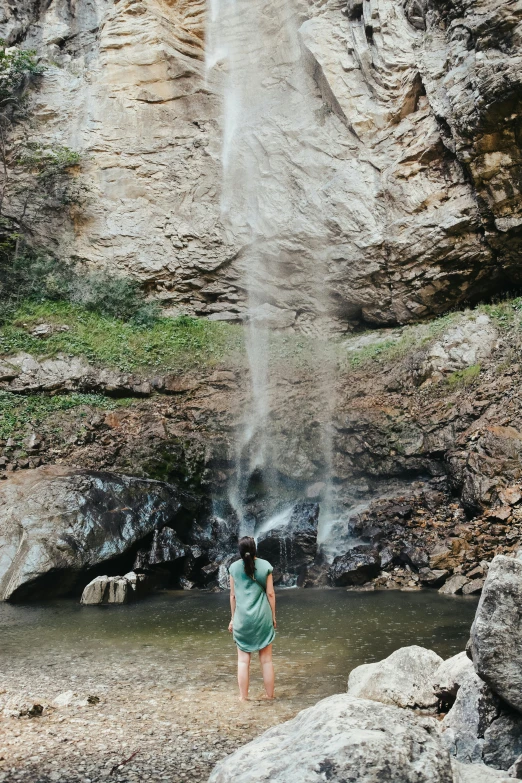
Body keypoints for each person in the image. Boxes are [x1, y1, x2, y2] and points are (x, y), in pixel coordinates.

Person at [228, 536, 276, 701]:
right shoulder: (265, 566)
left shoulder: (233, 568)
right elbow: (270, 594)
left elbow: (233, 596)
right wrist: (273, 617)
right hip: (262, 618)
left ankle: (243, 698)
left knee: (243, 661)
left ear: (240, 552)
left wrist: (233, 619)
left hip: (242, 619)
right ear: (255, 549)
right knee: (266, 660)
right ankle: (270, 696)